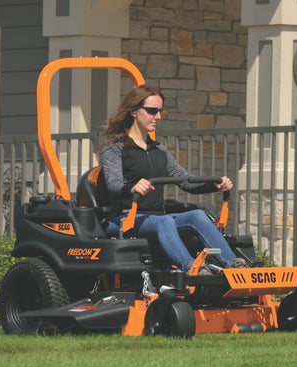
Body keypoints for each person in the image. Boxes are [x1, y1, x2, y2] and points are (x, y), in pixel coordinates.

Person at [100, 84, 244, 273]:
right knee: (165, 221)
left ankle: (234, 266)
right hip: (123, 218)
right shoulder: (116, 148)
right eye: (152, 111)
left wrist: (215, 184)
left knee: (197, 215)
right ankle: (192, 268)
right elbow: (113, 184)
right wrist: (133, 187)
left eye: (160, 111)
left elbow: (185, 180)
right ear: (134, 111)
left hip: (156, 217)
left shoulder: (159, 150)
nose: (157, 117)